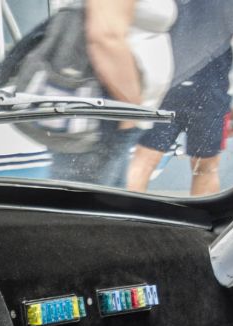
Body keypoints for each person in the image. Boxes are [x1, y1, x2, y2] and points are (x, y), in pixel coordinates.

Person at [47, 0, 176, 188]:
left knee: (108, 200)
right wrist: (130, 107)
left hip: (116, 115)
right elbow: (105, 37)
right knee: (87, 201)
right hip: (104, 115)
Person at [127, 14, 233, 195]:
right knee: (205, 168)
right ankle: (203, 214)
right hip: (213, 94)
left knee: (143, 160)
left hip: (167, 86)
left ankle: (126, 211)